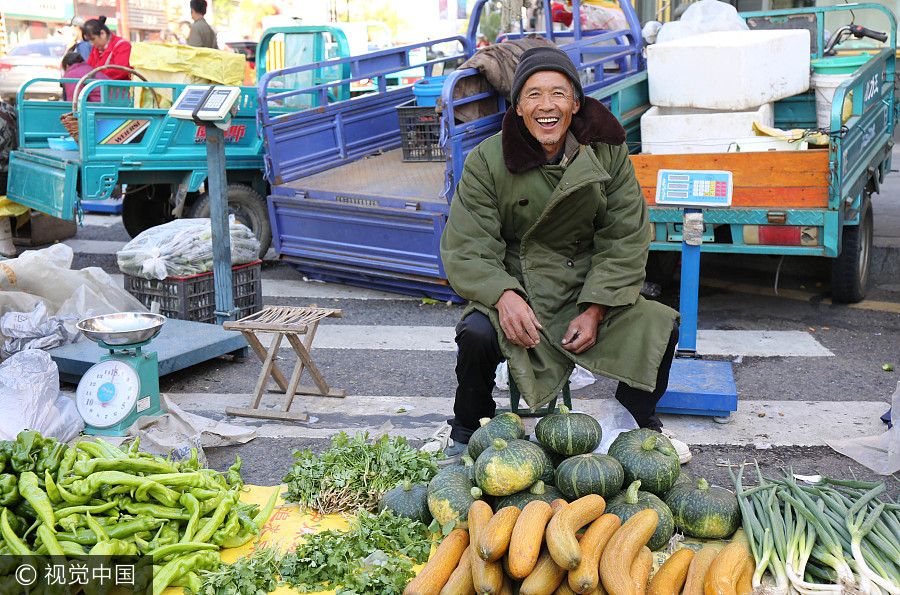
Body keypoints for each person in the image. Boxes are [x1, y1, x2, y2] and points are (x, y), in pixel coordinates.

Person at [438, 46, 686, 463]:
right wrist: (503, 296)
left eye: (558, 94)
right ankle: (467, 429)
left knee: (660, 325)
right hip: (519, 285)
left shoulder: (607, 153)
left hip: (585, 284)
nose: (546, 106)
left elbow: (624, 235)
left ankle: (639, 423)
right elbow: (468, 243)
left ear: (575, 103)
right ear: (518, 106)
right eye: (533, 95)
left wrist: (596, 309)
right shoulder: (487, 160)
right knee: (476, 334)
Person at [83, 16, 132, 81]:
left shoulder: (122, 45)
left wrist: (96, 76)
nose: (92, 43)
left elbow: (121, 70)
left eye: (93, 39)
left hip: (120, 89)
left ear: (102, 33)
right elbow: (88, 67)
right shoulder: (95, 49)